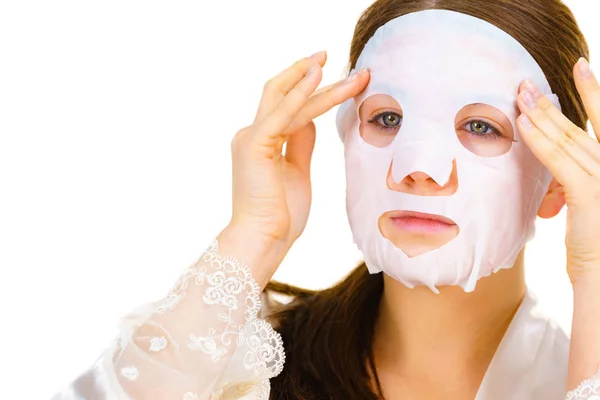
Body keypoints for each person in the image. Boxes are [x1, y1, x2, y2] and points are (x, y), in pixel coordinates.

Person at [52, 0, 600, 399]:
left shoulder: (574, 378)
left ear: (558, 178)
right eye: (387, 118)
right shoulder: (233, 362)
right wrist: (255, 237)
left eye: (481, 126)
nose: (418, 170)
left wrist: (596, 267)